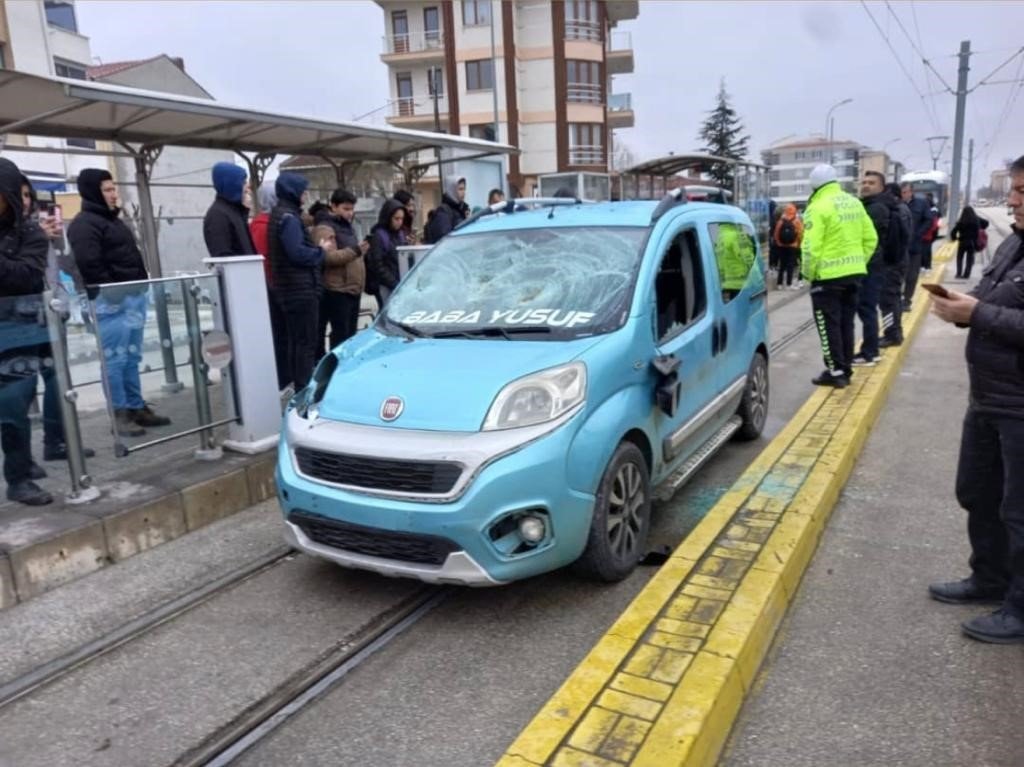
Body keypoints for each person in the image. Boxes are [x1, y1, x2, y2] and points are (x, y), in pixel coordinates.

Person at [927, 154, 1024, 644]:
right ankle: (989, 577)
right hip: (988, 396)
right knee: (978, 492)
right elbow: (993, 299)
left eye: (1023, 193)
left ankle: (1020, 610)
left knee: (1020, 510)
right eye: (1013, 191)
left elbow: (996, 313)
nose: (1012, 201)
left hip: (1019, 405)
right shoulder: (1016, 246)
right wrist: (963, 308)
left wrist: (978, 315)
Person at [67, 169, 171, 437]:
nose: (114, 195)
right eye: (108, 190)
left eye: (114, 189)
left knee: (131, 358)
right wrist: (114, 293)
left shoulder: (113, 221)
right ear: (93, 192)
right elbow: (90, 263)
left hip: (132, 297)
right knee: (114, 359)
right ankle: (120, 413)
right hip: (110, 302)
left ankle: (135, 407)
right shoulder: (84, 224)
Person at [0, 158, 53, 505]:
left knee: (14, 405)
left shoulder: (31, 233)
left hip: (19, 332)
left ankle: (18, 477)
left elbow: (26, 277)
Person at [801, 164, 876, 388]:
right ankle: (845, 367)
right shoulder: (854, 203)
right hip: (854, 275)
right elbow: (871, 238)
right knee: (846, 323)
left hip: (826, 278)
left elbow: (809, 248)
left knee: (827, 325)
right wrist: (858, 262)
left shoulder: (817, 207)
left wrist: (808, 274)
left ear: (814, 185)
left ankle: (835, 372)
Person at [267, 173, 327, 391]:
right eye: (303, 191)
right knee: (305, 344)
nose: (305, 195)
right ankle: (304, 389)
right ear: (294, 192)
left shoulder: (280, 214)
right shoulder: (289, 218)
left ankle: (298, 385)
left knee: (295, 342)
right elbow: (296, 253)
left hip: (289, 289)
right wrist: (320, 252)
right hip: (299, 290)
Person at [314, 189, 368, 353]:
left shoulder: (347, 227)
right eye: (346, 209)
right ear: (333, 207)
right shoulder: (325, 228)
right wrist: (356, 251)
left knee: (350, 334)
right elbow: (328, 257)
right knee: (341, 335)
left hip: (352, 289)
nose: (350, 213)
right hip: (338, 289)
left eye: (352, 209)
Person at [249, 182, 290, 392]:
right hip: (275, 289)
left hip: (269, 288)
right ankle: (282, 380)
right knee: (282, 336)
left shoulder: (256, 225)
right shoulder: (270, 226)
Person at [852, 170, 891, 367]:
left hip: (871, 265)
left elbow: (867, 239)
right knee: (866, 308)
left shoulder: (876, 208)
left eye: (871, 183)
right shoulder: (868, 206)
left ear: (881, 187)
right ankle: (870, 349)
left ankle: (870, 352)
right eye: (864, 182)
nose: (866, 185)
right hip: (870, 264)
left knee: (867, 308)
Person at [202, 162, 256, 258]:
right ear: (231, 184)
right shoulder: (218, 216)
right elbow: (224, 257)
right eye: (243, 182)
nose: (247, 187)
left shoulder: (233, 212)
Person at [881, 182, 911, 348]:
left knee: (888, 301)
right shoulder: (903, 209)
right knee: (894, 299)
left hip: (892, 263)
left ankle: (891, 334)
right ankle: (894, 332)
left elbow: (892, 242)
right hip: (900, 261)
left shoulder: (895, 212)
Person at [366, 199, 406, 308]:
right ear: (388, 217)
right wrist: (393, 283)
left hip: (399, 282)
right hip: (386, 285)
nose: (399, 222)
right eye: (396, 219)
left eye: (401, 219)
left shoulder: (400, 234)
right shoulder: (379, 235)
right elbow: (378, 264)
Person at [901, 182, 932, 312]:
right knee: (897, 276)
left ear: (911, 192)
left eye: (905, 192)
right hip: (899, 247)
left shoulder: (921, 204)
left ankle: (907, 300)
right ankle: (896, 299)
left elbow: (928, 220)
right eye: (901, 192)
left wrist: (918, 234)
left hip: (915, 247)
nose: (903, 195)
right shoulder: (897, 204)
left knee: (912, 276)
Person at [950, 205, 990, 280]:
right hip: (972, 242)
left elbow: (953, 232)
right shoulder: (976, 220)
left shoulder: (961, 221)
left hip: (962, 242)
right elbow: (986, 223)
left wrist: (954, 238)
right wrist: (980, 227)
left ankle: (958, 274)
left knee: (959, 258)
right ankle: (966, 275)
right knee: (969, 259)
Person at [423, 175, 468, 244]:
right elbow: (444, 239)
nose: (463, 192)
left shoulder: (460, 209)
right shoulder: (443, 212)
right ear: (451, 189)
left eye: (464, 189)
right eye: (460, 189)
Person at [772, 204, 803, 289]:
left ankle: (779, 284)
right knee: (790, 265)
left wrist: (779, 243)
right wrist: (799, 243)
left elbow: (776, 234)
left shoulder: (781, 221)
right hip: (793, 246)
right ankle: (789, 284)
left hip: (782, 246)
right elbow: (800, 233)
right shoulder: (796, 221)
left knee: (782, 265)